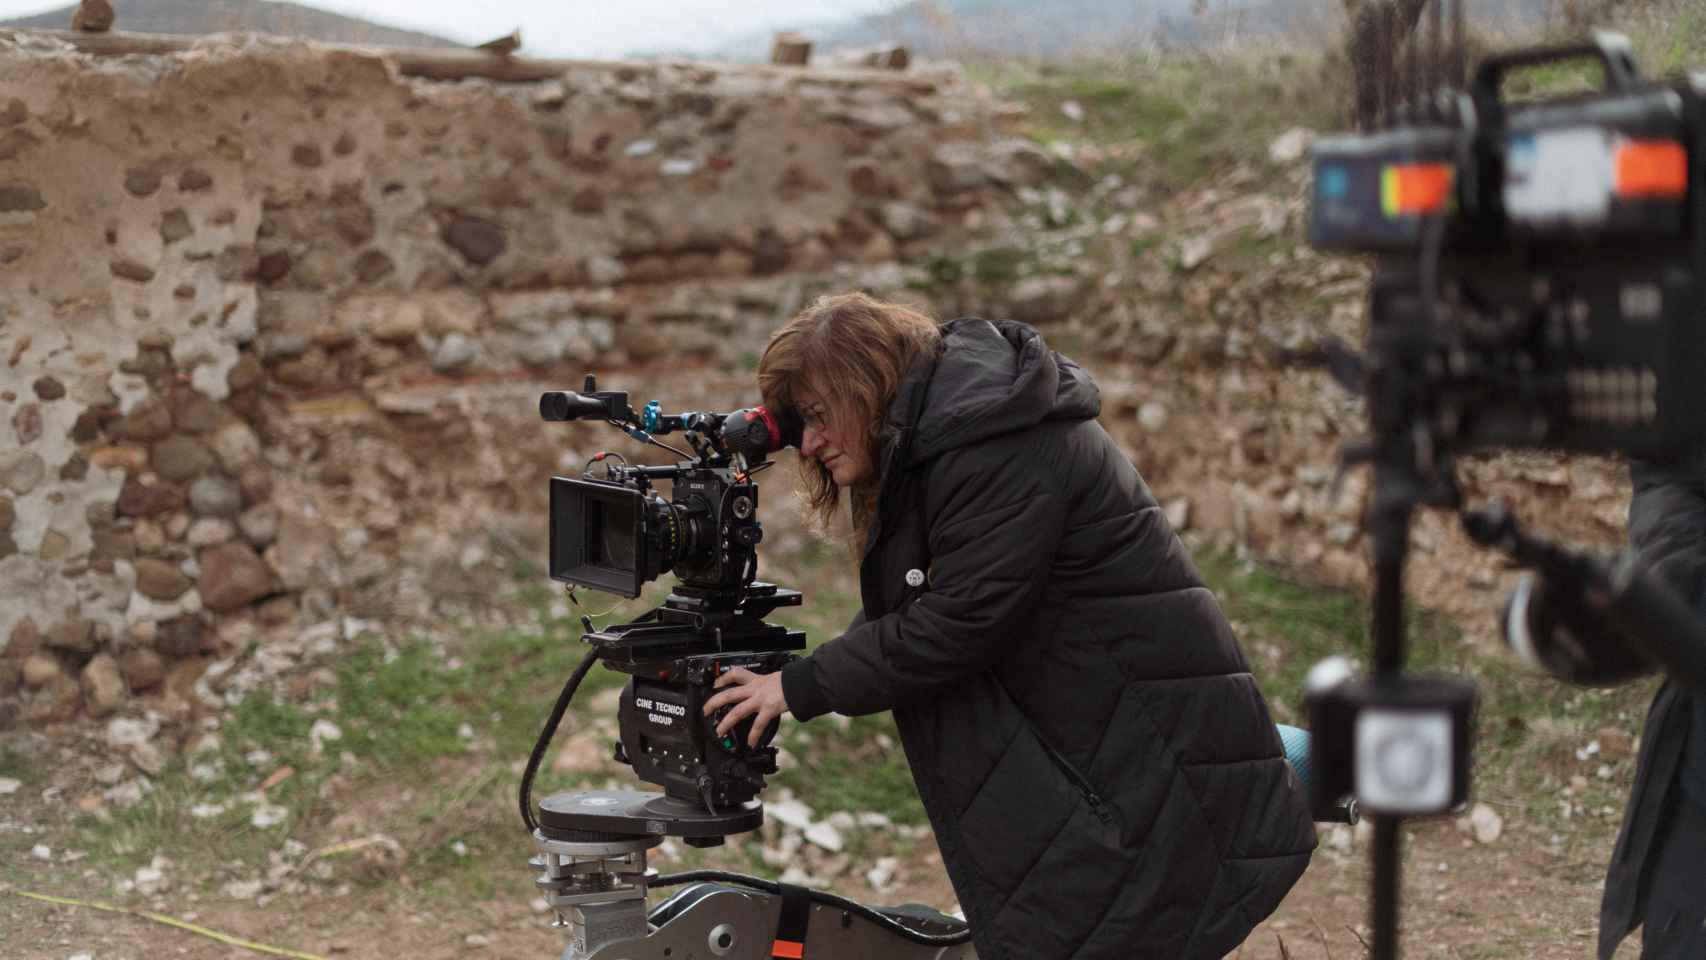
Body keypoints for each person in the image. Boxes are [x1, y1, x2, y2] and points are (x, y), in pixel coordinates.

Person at [701, 292, 1316, 960]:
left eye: (818, 416)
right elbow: (918, 608)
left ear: (866, 386)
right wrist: (798, 676)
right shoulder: (950, 432)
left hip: (1149, 738)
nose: (810, 443)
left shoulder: (991, 447)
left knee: (1123, 914)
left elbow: (959, 620)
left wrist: (802, 686)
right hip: (1109, 728)